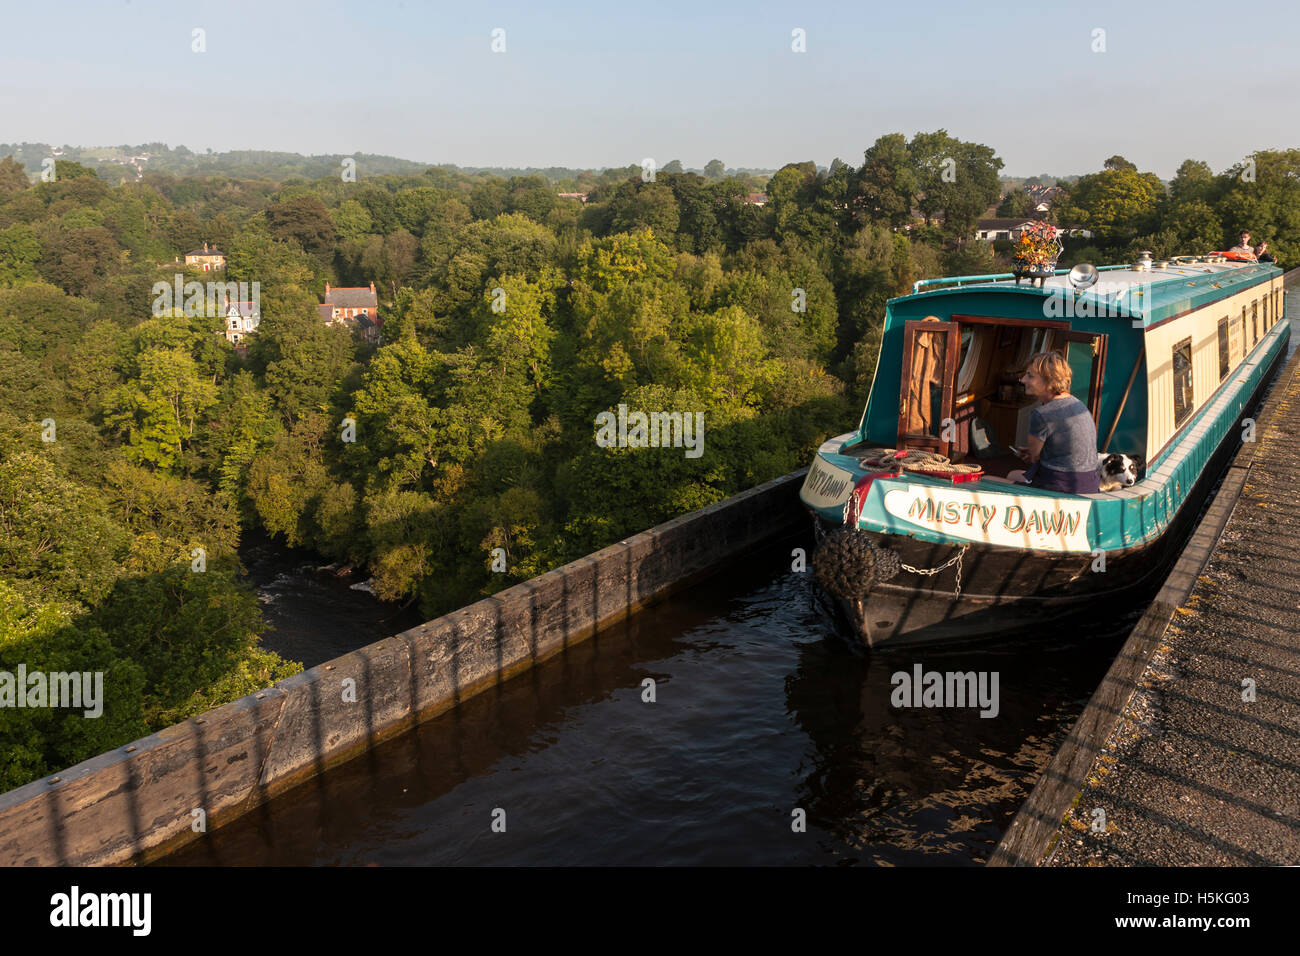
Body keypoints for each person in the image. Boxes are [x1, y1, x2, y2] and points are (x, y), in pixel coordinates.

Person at [1006, 351, 1101, 493]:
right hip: (1089, 485)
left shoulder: (1042, 414)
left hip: (1059, 487)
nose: (1023, 380)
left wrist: (1031, 454)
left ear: (1049, 380)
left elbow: (1034, 458)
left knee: (989, 478)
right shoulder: (1078, 405)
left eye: (1030, 376)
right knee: (1013, 474)